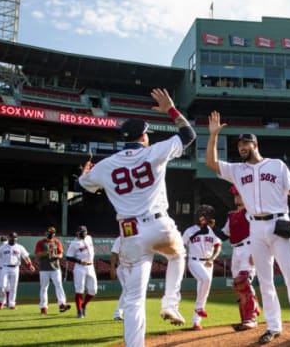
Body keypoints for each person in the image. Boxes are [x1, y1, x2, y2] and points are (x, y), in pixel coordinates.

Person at [78, 87, 196, 347]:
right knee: (177, 255)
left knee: (133, 299)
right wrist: (170, 109)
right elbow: (188, 135)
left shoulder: (106, 165)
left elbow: (85, 183)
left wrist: (86, 173)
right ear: (144, 137)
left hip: (130, 233)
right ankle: (170, 303)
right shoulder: (154, 152)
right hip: (160, 224)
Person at [205, 111, 290, 345]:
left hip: (279, 223)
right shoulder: (237, 170)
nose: (241, 147)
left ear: (255, 144)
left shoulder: (276, 165)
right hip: (255, 227)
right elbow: (211, 163)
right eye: (239, 145)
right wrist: (213, 136)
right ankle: (273, 326)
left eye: (245, 143)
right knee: (265, 280)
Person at [222, 185, 260, 331]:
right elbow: (224, 234)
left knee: (243, 281)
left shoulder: (250, 212)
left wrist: (255, 252)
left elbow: (257, 231)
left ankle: (251, 318)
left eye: (239, 195)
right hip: (236, 251)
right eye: (235, 195)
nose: (236, 197)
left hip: (249, 247)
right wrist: (208, 227)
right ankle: (246, 318)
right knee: (238, 286)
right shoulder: (232, 215)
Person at [182, 205, 222, 330]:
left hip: (208, 263)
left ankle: (196, 322)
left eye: (205, 215)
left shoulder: (211, 231)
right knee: (206, 280)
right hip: (194, 261)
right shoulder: (190, 231)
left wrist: (212, 259)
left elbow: (218, 246)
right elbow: (182, 245)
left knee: (203, 292)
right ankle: (199, 308)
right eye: (201, 215)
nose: (202, 218)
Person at [0, 232, 35, 309]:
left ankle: (11, 304)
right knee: (1, 286)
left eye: (14, 237)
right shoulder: (3, 247)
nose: (13, 239)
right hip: (5, 267)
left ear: (16, 238)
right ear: (9, 238)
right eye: (11, 237)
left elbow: (26, 257)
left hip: (15, 268)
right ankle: (2, 300)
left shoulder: (20, 247)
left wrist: (30, 265)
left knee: (13, 287)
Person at [35, 226, 70, 315]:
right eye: (50, 232)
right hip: (44, 268)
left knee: (59, 285)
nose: (51, 234)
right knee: (44, 288)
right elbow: (38, 255)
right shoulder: (40, 242)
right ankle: (43, 307)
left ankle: (62, 304)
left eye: (53, 232)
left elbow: (61, 254)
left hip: (55, 268)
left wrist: (56, 256)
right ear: (46, 233)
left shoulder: (57, 241)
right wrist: (48, 252)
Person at [65, 225, 97, 319]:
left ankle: (83, 305)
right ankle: (79, 311)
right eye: (81, 232)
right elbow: (68, 256)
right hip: (80, 267)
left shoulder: (89, 238)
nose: (83, 233)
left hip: (91, 266)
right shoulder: (74, 243)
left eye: (84, 232)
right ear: (77, 233)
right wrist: (79, 261)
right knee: (79, 290)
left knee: (93, 290)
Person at [110, 236, 124, 321]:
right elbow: (114, 254)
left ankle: (126, 312)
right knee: (127, 290)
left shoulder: (140, 237)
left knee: (129, 291)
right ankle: (117, 313)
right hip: (123, 268)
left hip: (135, 269)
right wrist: (112, 268)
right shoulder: (120, 239)